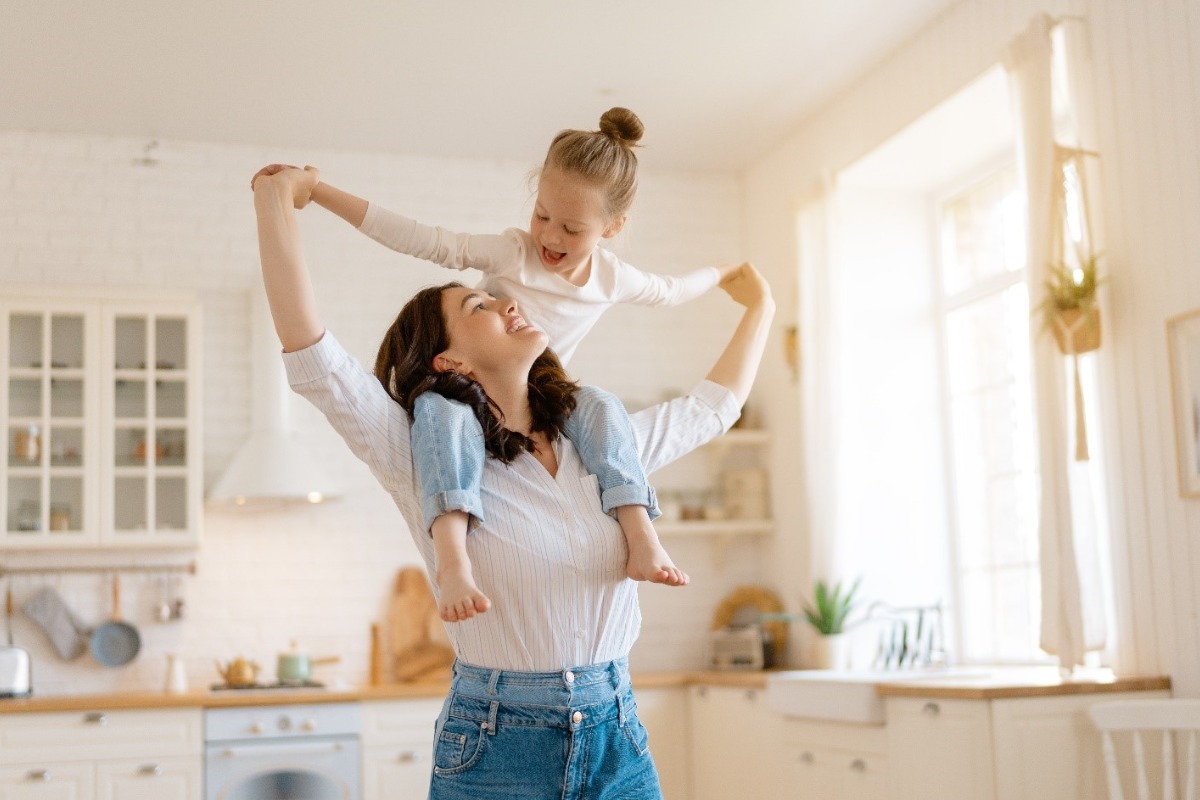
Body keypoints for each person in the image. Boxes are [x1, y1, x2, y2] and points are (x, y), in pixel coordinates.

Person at [251, 163, 774, 799]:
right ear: (450, 361)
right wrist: (275, 200)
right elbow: (313, 357)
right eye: (480, 305)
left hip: (618, 738)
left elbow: (711, 409)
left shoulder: (603, 449)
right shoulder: (421, 454)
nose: (508, 300)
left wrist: (762, 308)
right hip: (499, 747)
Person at [252, 108, 737, 623]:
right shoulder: (513, 254)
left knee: (599, 404)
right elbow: (422, 237)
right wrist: (317, 192)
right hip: (474, 396)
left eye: (571, 228)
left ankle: (642, 535)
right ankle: (453, 562)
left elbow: (674, 292)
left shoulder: (612, 280)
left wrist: (726, 274)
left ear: (613, 228)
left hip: (542, 394)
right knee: (443, 416)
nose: (549, 236)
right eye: (542, 215)